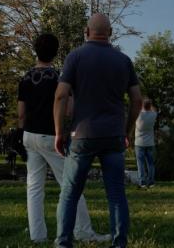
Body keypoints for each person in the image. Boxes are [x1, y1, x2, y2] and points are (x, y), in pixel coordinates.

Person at [53, 13, 143, 248]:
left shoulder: (75, 57)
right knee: (116, 194)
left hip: (82, 134)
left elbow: (61, 95)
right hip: (113, 135)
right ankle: (119, 243)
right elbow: (137, 99)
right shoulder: (124, 60)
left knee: (70, 193)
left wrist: (59, 132)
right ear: (110, 33)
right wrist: (127, 131)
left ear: (86, 31)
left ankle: (63, 243)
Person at [17, 33, 109, 244]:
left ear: (35, 51)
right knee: (70, 185)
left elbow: (21, 113)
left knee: (34, 187)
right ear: (56, 52)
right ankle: (83, 231)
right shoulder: (59, 78)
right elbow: (68, 109)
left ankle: (37, 235)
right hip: (51, 136)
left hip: (29, 136)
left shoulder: (25, 78)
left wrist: (21, 133)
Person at [134, 98, 158, 189]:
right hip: (150, 143)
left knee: (140, 164)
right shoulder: (153, 114)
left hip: (139, 142)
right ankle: (151, 183)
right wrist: (150, 105)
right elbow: (154, 109)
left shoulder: (138, 114)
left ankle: (142, 183)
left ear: (142, 106)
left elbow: (136, 109)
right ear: (150, 106)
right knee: (150, 164)